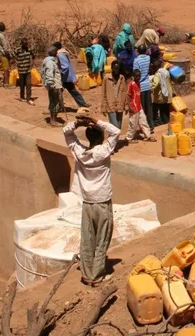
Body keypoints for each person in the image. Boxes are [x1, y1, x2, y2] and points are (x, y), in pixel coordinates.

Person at [63, 114, 120, 286]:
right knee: (102, 239)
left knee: (88, 238)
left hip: (87, 203)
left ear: (88, 137)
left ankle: (87, 273)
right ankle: (96, 275)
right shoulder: (103, 152)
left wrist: (78, 123)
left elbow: (66, 132)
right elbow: (116, 132)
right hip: (102, 202)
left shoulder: (80, 153)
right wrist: (96, 120)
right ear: (101, 137)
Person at [54, 41, 90, 109]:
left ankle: (58, 107)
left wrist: (59, 72)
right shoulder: (64, 53)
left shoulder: (60, 55)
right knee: (72, 91)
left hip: (64, 77)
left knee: (58, 92)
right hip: (68, 76)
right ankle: (82, 104)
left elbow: (65, 66)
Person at [126, 69, 155, 142]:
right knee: (133, 124)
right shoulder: (131, 84)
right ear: (133, 76)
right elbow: (128, 96)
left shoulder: (138, 83)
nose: (138, 77)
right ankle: (129, 138)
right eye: (136, 76)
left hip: (139, 106)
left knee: (143, 121)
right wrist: (130, 106)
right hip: (133, 107)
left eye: (139, 76)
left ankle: (147, 136)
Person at [41, 46, 64, 126]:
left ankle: (53, 119)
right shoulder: (50, 63)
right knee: (55, 103)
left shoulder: (51, 61)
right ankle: (53, 121)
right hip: (54, 86)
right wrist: (52, 85)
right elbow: (49, 75)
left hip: (56, 85)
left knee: (55, 102)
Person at [133, 44, 154, 129]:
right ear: (145, 51)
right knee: (149, 107)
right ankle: (151, 125)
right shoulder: (148, 58)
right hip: (147, 85)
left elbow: (135, 73)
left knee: (141, 109)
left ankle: (144, 127)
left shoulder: (136, 61)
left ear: (138, 51)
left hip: (140, 87)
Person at [102, 61, 124, 130]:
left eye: (117, 69)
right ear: (111, 68)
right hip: (110, 105)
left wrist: (126, 105)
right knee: (115, 128)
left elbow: (124, 92)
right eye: (114, 68)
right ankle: (112, 140)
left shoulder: (122, 78)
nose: (116, 70)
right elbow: (103, 93)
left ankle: (114, 141)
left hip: (120, 105)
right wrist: (103, 107)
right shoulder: (106, 78)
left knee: (118, 127)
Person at [151, 62, 173, 126]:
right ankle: (166, 124)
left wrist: (148, 87)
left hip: (160, 97)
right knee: (165, 112)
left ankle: (158, 124)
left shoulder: (158, 74)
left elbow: (154, 84)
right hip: (167, 95)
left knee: (154, 111)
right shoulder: (166, 72)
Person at [14, 39, 35, 105]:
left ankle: (28, 98)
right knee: (22, 84)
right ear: (22, 44)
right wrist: (16, 62)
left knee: (28, 84)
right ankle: (22, 96)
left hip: (28, 70)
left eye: (26, 44)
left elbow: (33, 56)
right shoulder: (18, 50)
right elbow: (13, 56)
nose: (26, 45)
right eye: (24, 44)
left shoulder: (29, 49)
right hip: (21, 70)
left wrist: (32, 63)